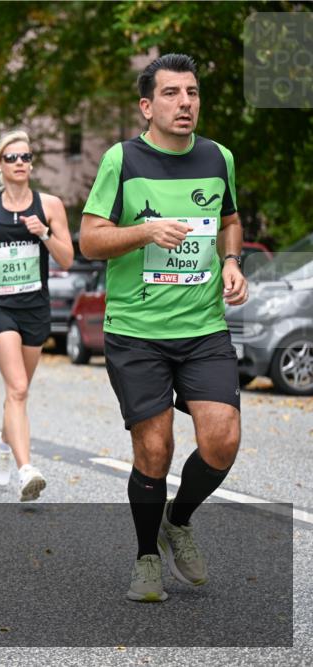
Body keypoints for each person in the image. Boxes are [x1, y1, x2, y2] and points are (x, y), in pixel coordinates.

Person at [79, 53, 248, 603]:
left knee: (221, 440)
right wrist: (145, 232)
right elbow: (90, 239)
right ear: (147, 106)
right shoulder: (121, 160)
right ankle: (147, 554)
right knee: (154, 451)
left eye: (192, 93)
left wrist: (230, 262)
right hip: (138, 330)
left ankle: (180, 519)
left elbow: (229, 220)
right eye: (172, 94)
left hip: (203, 327)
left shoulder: (217, 156)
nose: (186, 103)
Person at [0, 130, 73, 501]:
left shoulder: (50, 205)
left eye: (26, 157)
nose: (20, 163)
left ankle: (1, 442)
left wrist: (43, 232)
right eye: (12, 158)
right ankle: (26, 469)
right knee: (18, 388)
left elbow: (67, 258)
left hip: (34, 308)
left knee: (18, 391)